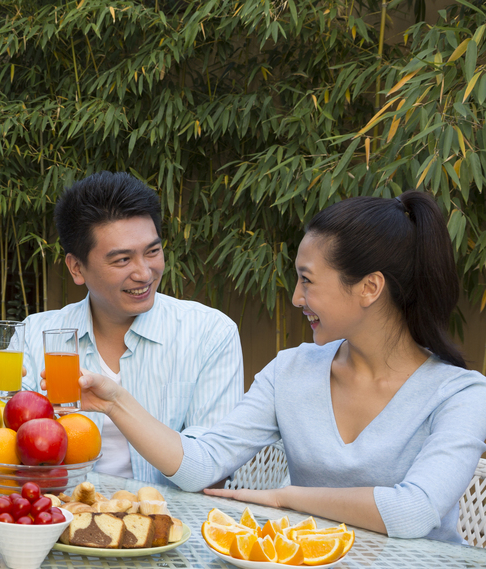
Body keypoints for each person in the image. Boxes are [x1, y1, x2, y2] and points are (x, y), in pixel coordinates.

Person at [71, 191, 486, 542]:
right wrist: (115, 402)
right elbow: (201, 463)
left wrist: (285, 498)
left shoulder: (460, 394)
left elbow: (413, 512)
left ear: (369, 288)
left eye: (307, 280)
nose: (296, 298)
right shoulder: (291, 370)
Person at [0, 171, 244, 485]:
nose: (144, 273)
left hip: (170, 524)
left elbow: (210, 469)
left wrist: (116, 404)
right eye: (122, 260)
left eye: (153, 251)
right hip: (56, 520)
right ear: (77, 268)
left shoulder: (209, 334)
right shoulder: (35, 334)